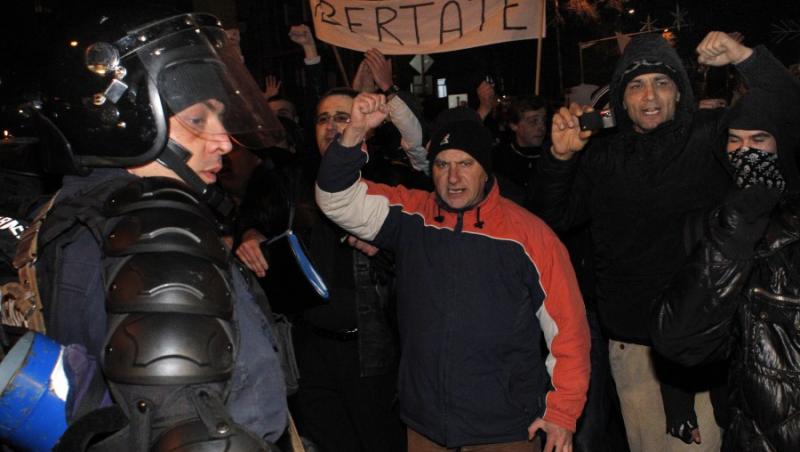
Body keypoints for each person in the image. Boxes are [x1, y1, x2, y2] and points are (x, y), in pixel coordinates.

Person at [29, 10, 287, 450]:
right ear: (126, 124)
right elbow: (195, 435)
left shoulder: (69, 212)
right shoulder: (154, 233)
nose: (224, 141)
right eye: (199, 120)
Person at [533, 31, 791, 452]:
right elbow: (549, 221)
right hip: (637, 350)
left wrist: (745, 57)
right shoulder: (601, 154)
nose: (649, 95)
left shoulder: (711, 136)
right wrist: (559, 160)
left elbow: (784, 109)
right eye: (635, 85)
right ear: (621, 97)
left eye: (661, 82)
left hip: (717, 342)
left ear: (679, 91)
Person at [315, 92, 590, 452]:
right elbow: (335, 198)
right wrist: (353, 134)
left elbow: (568, 330)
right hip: (426, 424)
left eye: (466, 164)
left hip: (504, 427)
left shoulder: (529, 235)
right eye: (442, 165)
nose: (453, 178)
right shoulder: (411, 215)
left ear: (486, 168)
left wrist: (563, 412)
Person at [652, 64, 800, 451]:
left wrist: (752, 58)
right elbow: (679, 339)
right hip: (752, 432)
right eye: (733, 140)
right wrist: (737, 228)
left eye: (759, 138)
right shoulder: (717, 223)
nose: (744, 151)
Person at [493, 95, 548, 205]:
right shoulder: (499, 160)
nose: (541, 127)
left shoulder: (553, 158)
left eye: (543, 120)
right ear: (514, 125)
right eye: (533, 121)